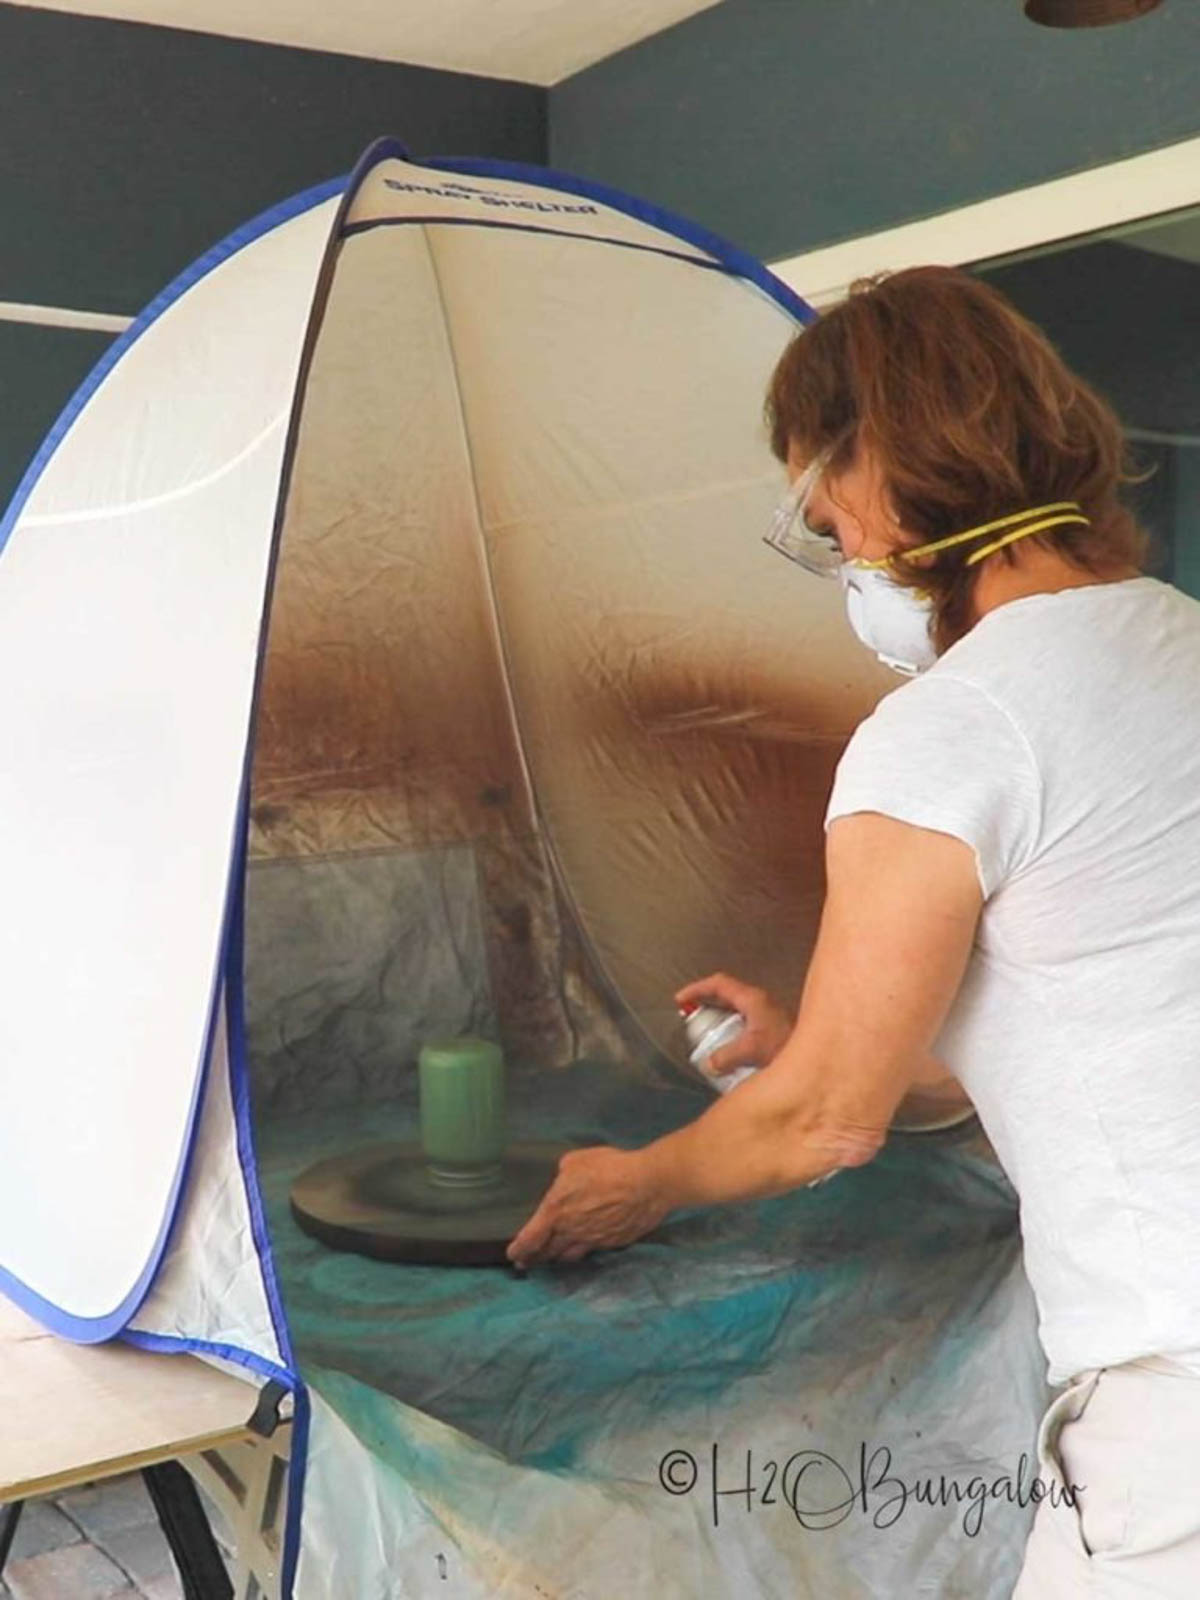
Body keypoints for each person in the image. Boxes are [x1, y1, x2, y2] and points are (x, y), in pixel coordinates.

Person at [507, 265, 1200, 1595]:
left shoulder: (952, 728)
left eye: (824, 512)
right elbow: (1100, 1008)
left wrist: (640, 1184)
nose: (835, 547)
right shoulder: (1177, 646)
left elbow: (824, 1120)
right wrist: (821, 1039)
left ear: (877, 463)